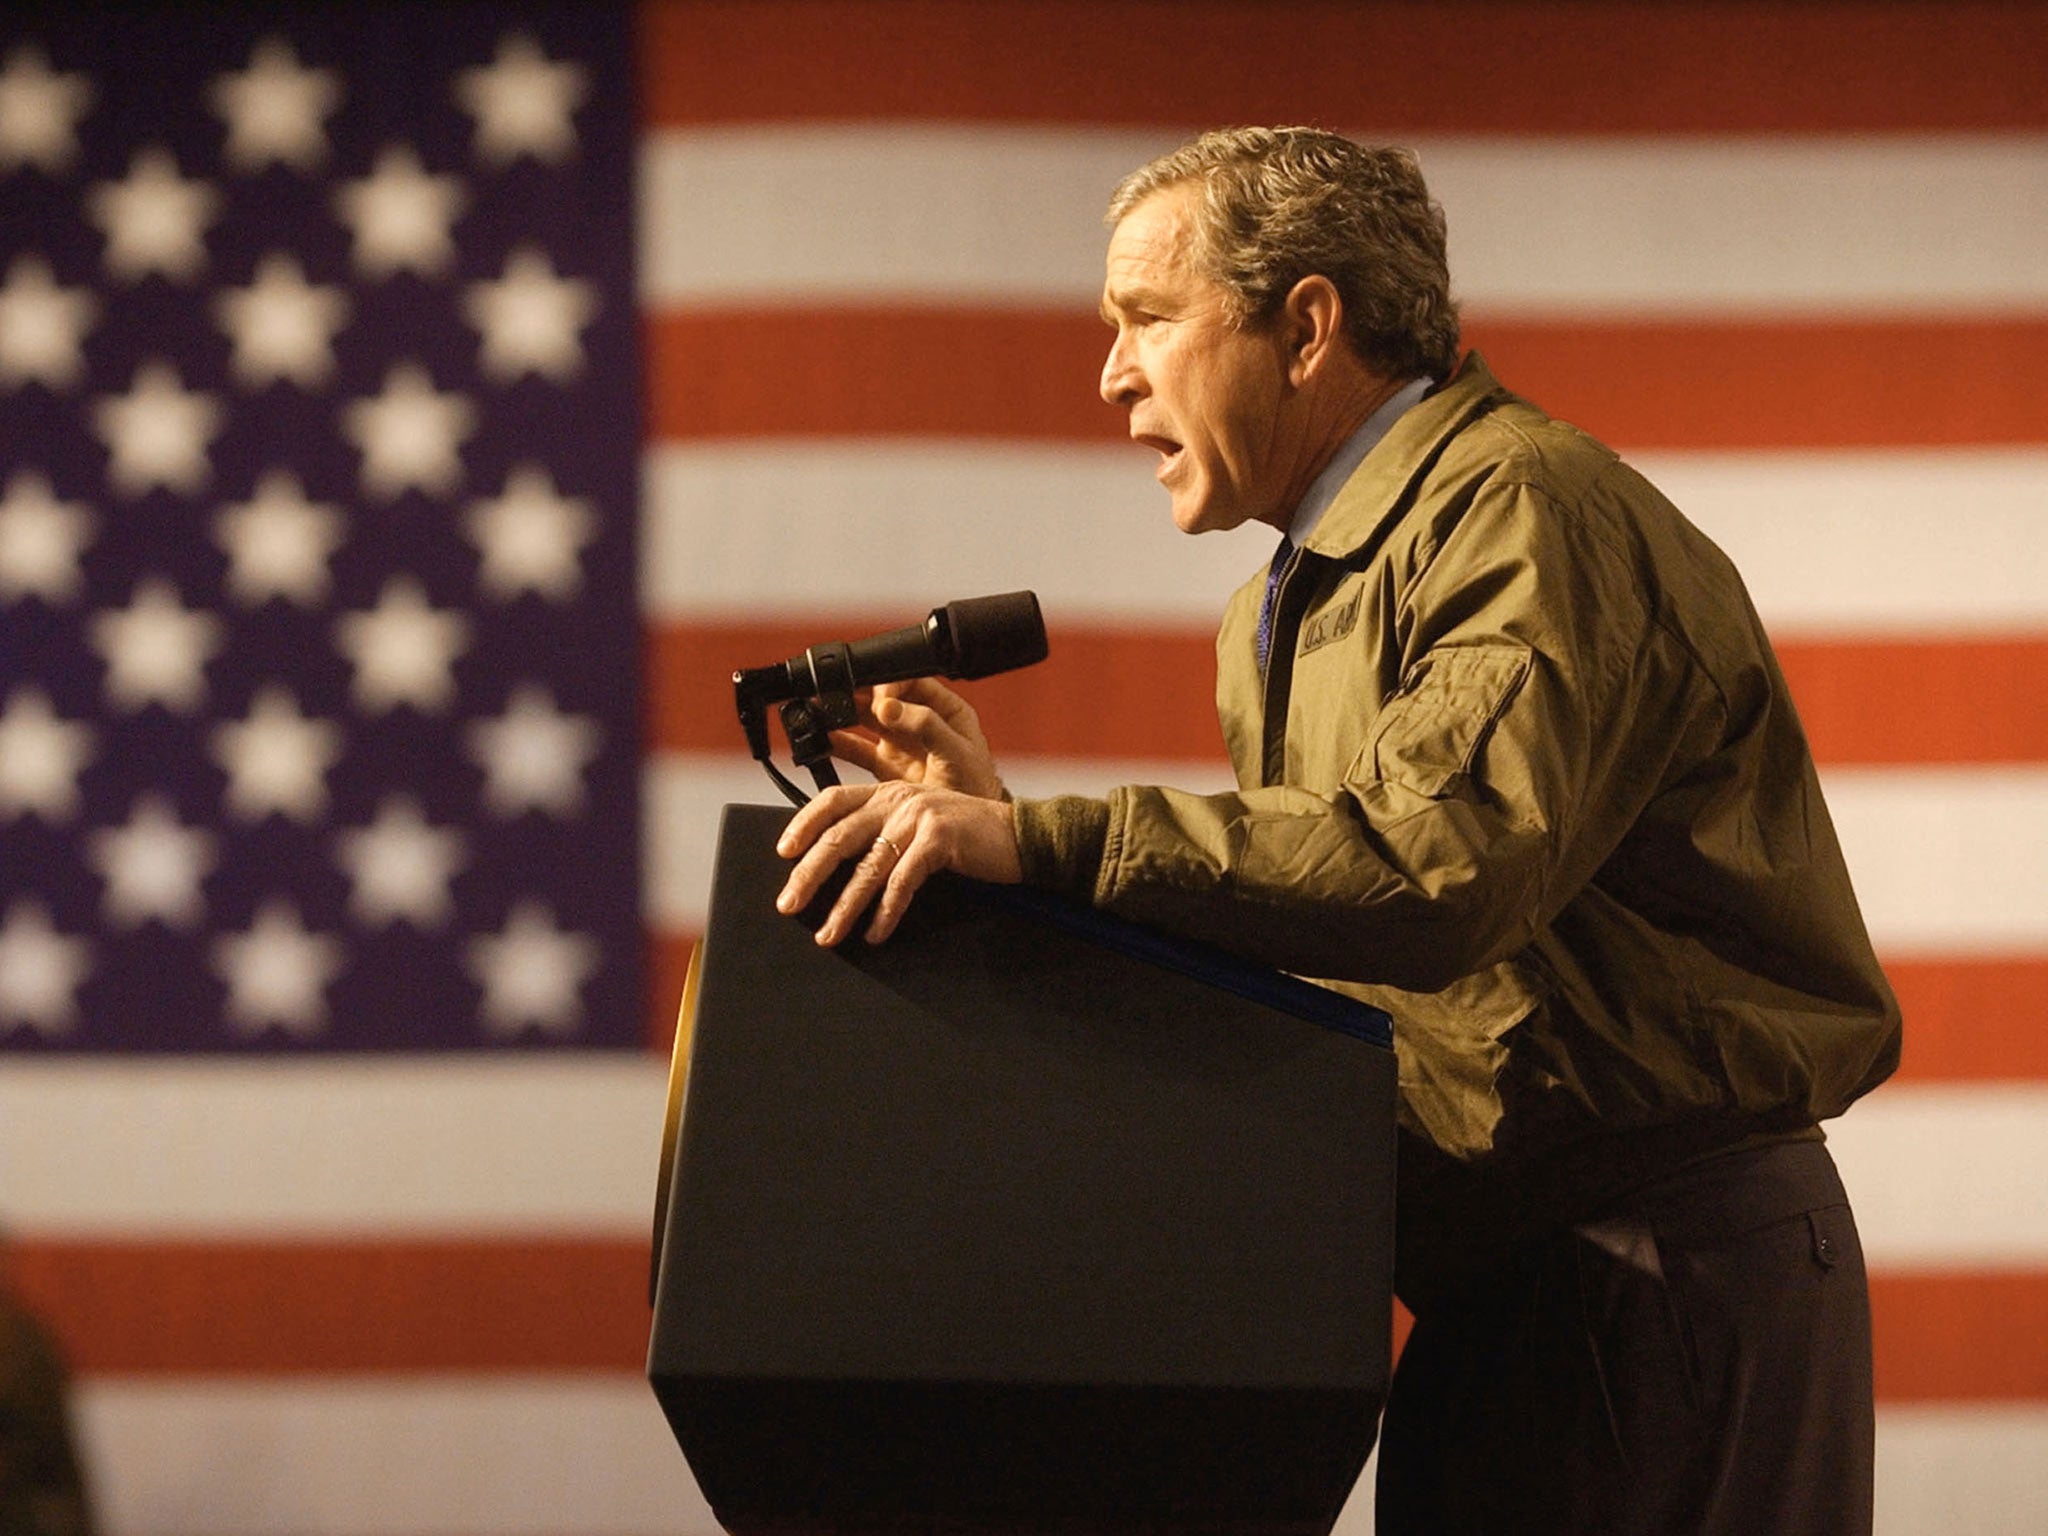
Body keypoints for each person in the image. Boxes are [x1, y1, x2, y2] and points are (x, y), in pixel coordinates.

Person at [773, 126, 1900, 1534]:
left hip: (1653, 1274)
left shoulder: (1521, 510)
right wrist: (1020, 866)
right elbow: (1328, 953)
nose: (1111, 373)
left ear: (1307, 324)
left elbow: (1438, 866)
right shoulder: (1273, 612)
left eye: (1147, 320)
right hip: (1512, 1293)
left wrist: (1049, 850)